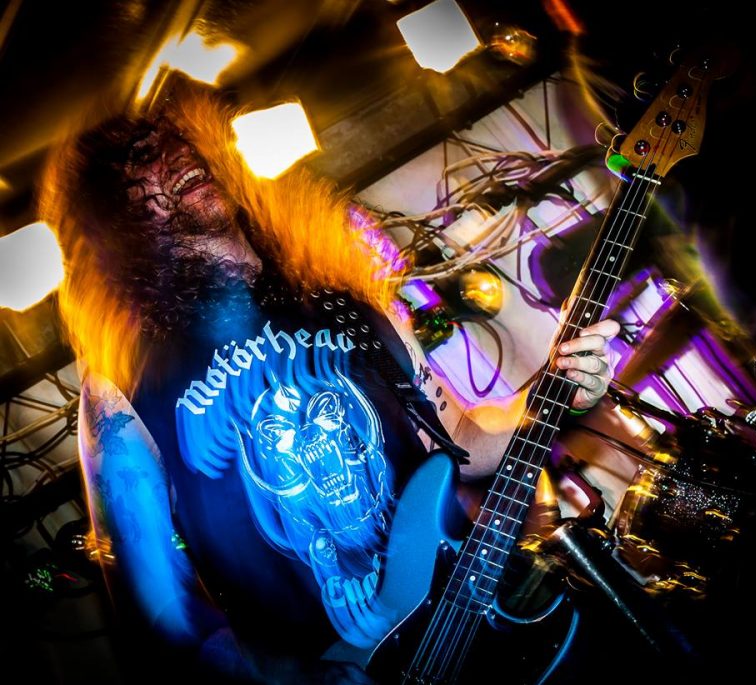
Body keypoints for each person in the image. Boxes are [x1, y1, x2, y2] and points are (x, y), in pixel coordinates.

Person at [39, 80, 619, 683]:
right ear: (114, 222)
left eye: (178, 142)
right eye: (141, 161)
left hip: (474, 636)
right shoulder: (123, 390)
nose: (176, 158)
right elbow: (156, 605)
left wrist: (557, 391)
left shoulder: (348, 305)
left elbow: (462, 443)